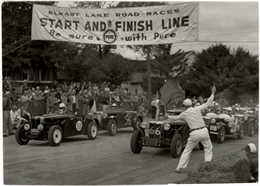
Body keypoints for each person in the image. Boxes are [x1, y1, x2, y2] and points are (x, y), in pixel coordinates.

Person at [168, 85, 216, 173]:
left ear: (184, 106)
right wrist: (212, 93)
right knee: (208, 149)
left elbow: (174, 118)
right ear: (191, 104)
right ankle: (207, 165)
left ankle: (179, 167)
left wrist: (168, 116)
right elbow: (208, 103)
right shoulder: (197, 108)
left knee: (187, 150)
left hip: (195, 133)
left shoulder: (184, 113)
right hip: (204, 131)